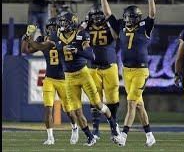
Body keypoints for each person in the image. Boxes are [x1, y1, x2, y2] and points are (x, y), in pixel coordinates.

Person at [25, 12, 121, 146]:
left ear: (72, 23)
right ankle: (89, 136)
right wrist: (29, 40)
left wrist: (77, 50)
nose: (62, 25)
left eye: (65, 22)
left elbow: (91, 55)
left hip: (83, 73)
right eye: (62, 22)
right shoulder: (55, 36)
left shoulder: (81, 34)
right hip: (68, 77)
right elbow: (41, 47)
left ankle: (113, 124)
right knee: (76, 110)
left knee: (98, 105)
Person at [99, 0, 156, 147]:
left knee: (131, 103)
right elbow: (107, 13)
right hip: (127, 71)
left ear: (137, 19)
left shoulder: (144, 27)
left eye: (131, 18)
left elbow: (152, 14)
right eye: (127, 17)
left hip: (141, 71)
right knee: (139, 106)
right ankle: (150, 136)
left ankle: (123, 135)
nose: (128, 20)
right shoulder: (121, 26)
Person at [21, 19, 79, 145]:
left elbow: (39, 46)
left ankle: (75, 128)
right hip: (49, 78)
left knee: (68, 110)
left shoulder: (62, 39)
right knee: (48, 108)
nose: (51, 30)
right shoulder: (43, 38)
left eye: (54, 27)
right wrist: (25, 38)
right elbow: (26, 50)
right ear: (46, 28)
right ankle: (50, 137)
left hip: (63, 79)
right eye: (49, 27)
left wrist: (29, 38)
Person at [83, 4, 120, 139]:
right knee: (95, 100)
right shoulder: (86, 27)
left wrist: (110, 24)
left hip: (110, 66)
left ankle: (114, 128)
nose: (97, 18)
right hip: (93, 67)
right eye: (95, 16)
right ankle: (96, 130)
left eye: (100, 15)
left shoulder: (110, 26)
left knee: (112, 100)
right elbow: (77, 34)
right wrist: (84, 24)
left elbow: (116, 36)